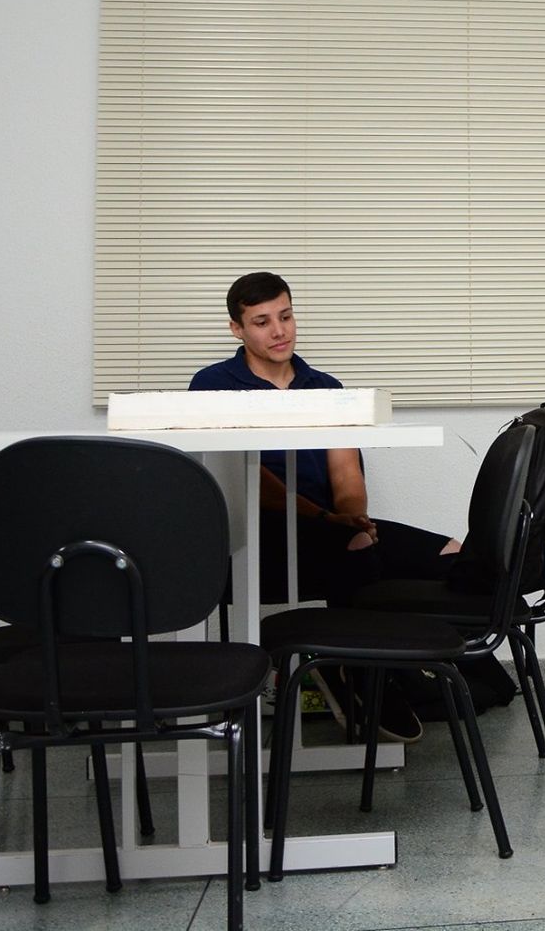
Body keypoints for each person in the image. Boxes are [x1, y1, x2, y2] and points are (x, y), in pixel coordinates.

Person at [190, 270, 461, 738]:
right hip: (253, 538)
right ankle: (360, 675)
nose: (279, 331)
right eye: (262, 322)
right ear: (237, 329)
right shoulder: (213, 384)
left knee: (451, 553)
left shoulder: (325, 386)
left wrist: (353, 518)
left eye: (286, 316)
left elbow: (346, 473)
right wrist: (329, 519)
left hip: (328, 529)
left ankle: (377, 669)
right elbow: (243, 476)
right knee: (358, 550)